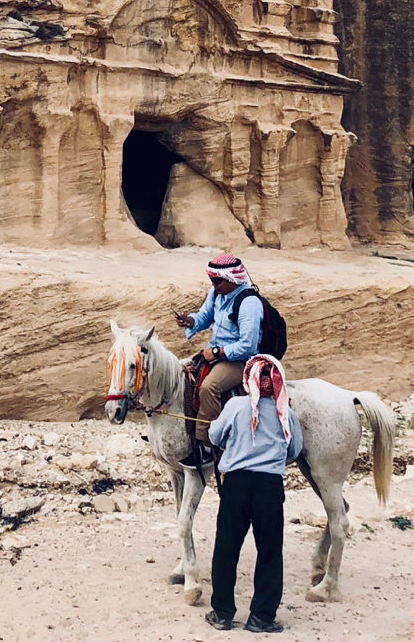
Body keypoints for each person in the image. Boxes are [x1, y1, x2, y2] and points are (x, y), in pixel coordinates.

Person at [205, 355, 303, 634]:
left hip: (236, 485)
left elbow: (214, 436)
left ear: (249, 380)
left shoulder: (235, 405)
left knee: (226, 548)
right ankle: (261, 617)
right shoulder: (288, 414)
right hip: (269, 488)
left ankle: (222, 613)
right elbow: (294, 451)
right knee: (269, 552)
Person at [175, 253, 264, 471]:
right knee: (180, 375)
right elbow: (205, 317)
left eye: (217, 281)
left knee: (209, 387)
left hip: (241, 360)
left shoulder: (249, 303)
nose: (213, 285)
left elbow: (248, 345)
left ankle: (207, 445)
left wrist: (217, 352)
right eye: (212, 281)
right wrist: (190, 321)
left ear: (232, 279)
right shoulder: (218, 293)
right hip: (215, 352)